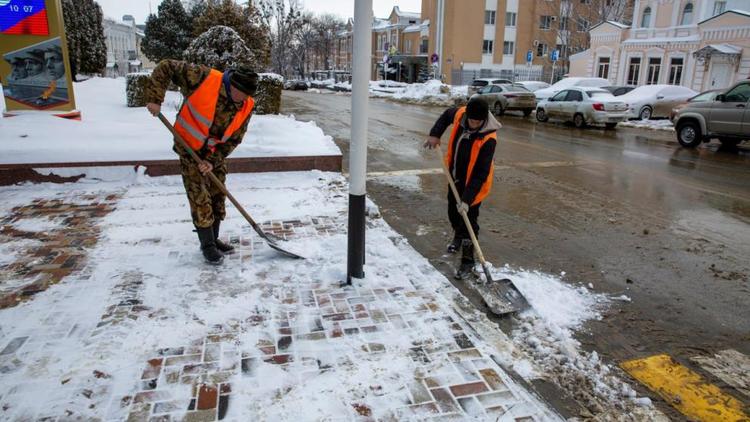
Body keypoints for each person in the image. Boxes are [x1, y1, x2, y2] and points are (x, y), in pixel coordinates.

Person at [145, 60, 258, 265]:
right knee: (200, 197)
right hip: (189, 148)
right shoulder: (203, 77)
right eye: (240, 95)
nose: (242, 100)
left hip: (214, 153)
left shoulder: (246, 105)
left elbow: (235, 138)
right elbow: (166, 66)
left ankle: (213, 239)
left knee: (217, 194)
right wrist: (155, 98)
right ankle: (207, 246)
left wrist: (212, 161)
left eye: (246, 97)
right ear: (232, 86)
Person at [423, 97, 499, 280]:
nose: (473, 124)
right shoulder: (460, 114)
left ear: (484, 119)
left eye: (478, 122)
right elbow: (446, 116)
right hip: (455, 177)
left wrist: (467, 200)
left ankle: (468, 260)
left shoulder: (489, 138)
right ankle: (457, 236)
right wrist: (435, 134)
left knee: (469, 222)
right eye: (471, 120)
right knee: (453, 212)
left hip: (475, 186)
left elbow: (481, 173)